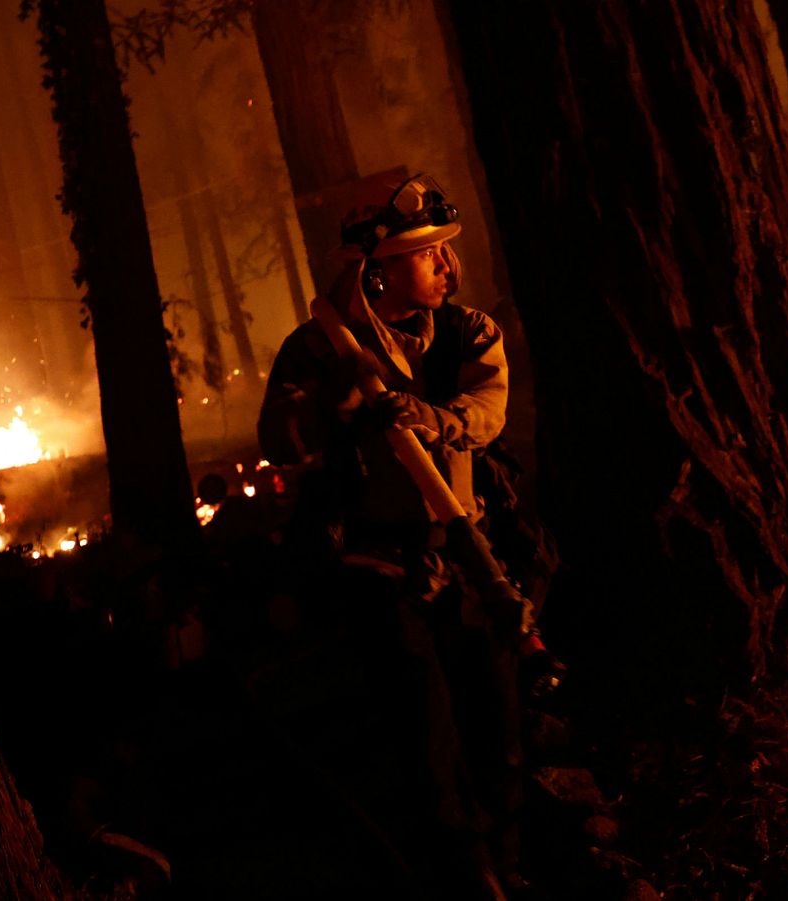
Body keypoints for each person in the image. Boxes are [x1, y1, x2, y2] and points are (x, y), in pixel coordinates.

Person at [258, 173, 537, 898]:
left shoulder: (470, 332)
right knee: (427, 736)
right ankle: (467, 879)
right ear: (375, 268)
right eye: (428, 254)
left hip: (471, 564)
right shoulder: (317, 349)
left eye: (447, 250)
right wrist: (334, 408)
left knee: (499, 730)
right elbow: (279, 438)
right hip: (379, 568)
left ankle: (507, 864)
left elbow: (485, 408)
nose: (448, 267)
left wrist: (429, 419)